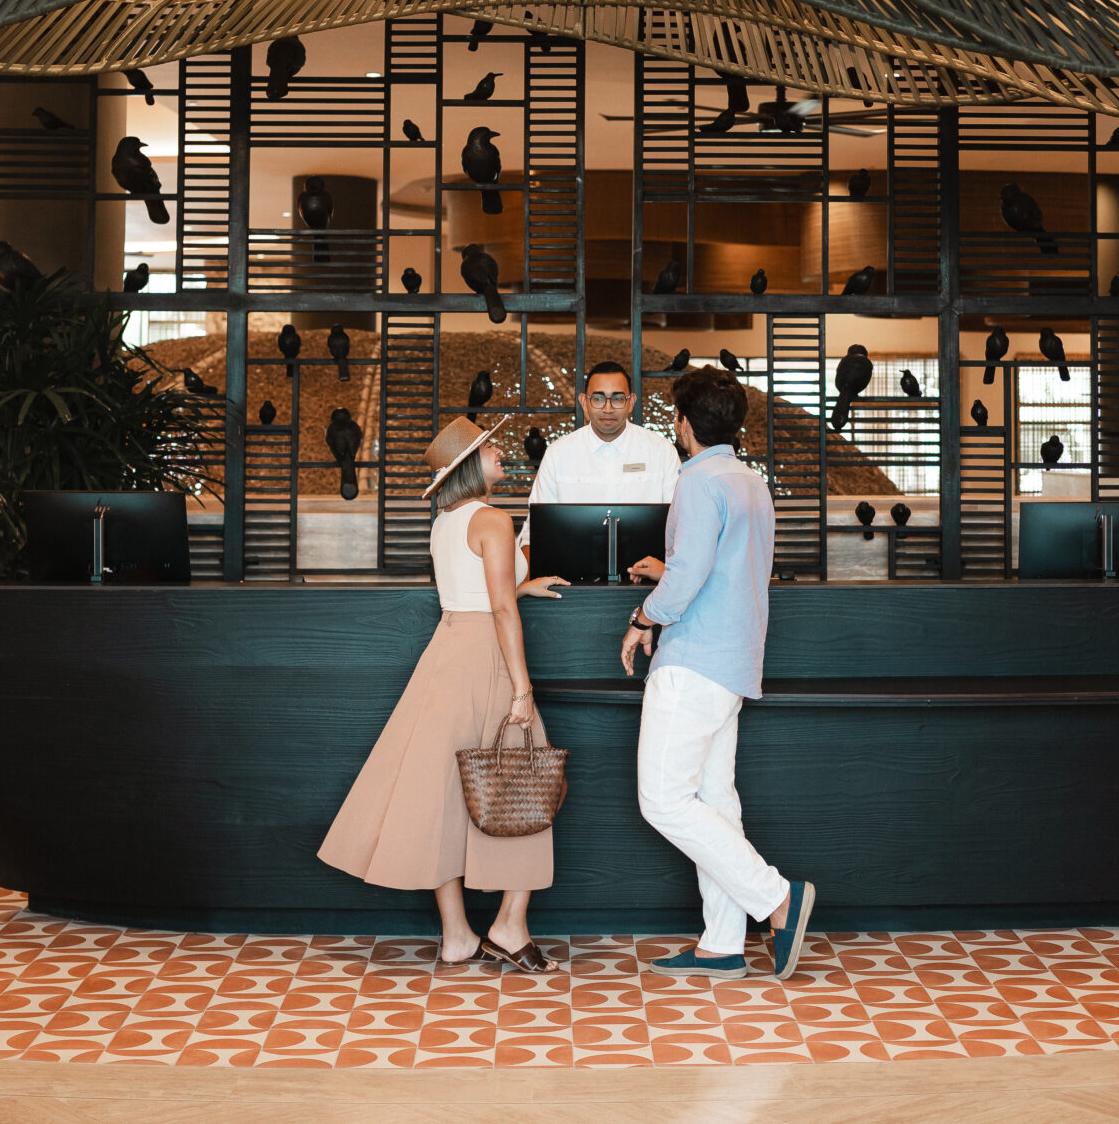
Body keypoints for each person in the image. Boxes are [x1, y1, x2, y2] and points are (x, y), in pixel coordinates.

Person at [319, 416, 570, 972]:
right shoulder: (495, 520)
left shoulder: (446, 522)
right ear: (470, 466)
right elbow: (500, 609)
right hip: (486, 659)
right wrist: (522, 690)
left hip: (446, 651)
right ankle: (508, 924)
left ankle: (457, 935)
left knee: (443, 799)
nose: (501, 450)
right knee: (522, 783)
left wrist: (520, 586)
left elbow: (477, 593)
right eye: (489, 447)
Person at [618, 366, 817, 980]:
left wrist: (646, 615)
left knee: (662, 800)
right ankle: (722, 942)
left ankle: (778, 899)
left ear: (685, 426)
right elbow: (723, 567)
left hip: (694, 659)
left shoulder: (699, 482)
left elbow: (692, 572)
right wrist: (671, 571)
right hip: (734, 663)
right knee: (714, 801)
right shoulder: (751, 482)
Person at [519, 359, 682, 577]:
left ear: (631, 402)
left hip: (648, 586)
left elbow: (681, 526)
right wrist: (531, 594)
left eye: (617, 398)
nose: (607, 408)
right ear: (584, 402)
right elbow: (534, 534)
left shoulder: (661, 452)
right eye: (597, 398)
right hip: (570, 585)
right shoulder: (558, 454)